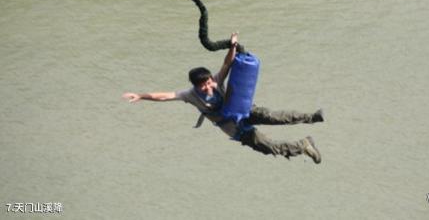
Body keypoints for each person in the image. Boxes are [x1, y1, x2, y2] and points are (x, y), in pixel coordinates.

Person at [122, 33, 324, 164]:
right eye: (204, 84)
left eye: (209, 81)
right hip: (235, 127)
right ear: (196, 86)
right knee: (269, 147)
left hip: (244, 110)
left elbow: (227, 64)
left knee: (275, 116)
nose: (209, 85)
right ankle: (303, 145)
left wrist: (232, 45)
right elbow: (165, 96)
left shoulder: (217, 80)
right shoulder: (190, 95)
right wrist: (141, 95)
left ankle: (311, 117)